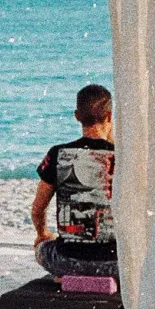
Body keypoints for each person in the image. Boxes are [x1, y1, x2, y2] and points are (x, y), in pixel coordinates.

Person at [32, 84, 118, 281]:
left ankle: (64, 276)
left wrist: (42, 233)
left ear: (77, 116)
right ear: (109, 116)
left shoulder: (57, 154)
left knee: (41, 247)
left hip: (67, 260)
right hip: (115, 264)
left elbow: (38, 209)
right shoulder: (120, 156)